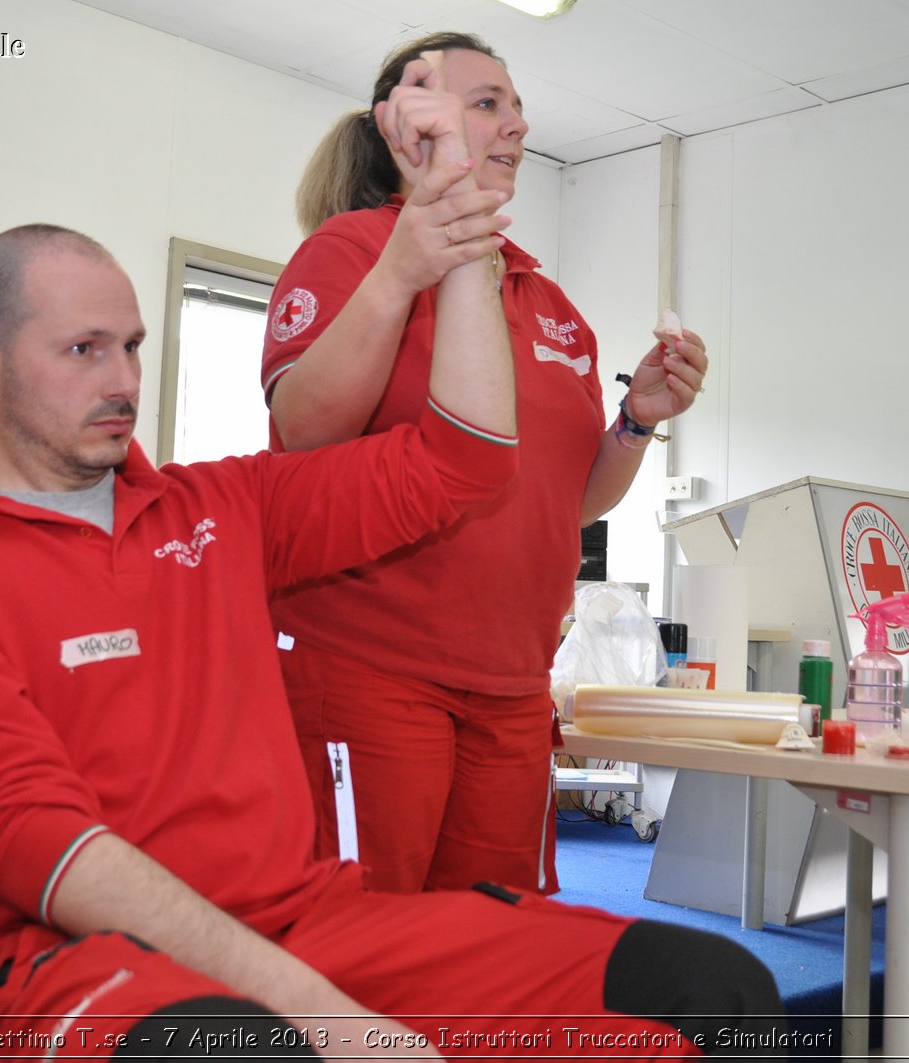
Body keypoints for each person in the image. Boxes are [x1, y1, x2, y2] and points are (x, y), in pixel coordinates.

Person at [0, 211, 781, 1058]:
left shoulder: (224, 507)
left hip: (307, 924)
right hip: (61, 963)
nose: (121, 380)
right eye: (83, 351)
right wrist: (326, 1018)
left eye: (132, 347)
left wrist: (442, 256)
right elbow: (34, 837)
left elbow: (462, 464)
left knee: (713, 994)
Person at [262, 33, 708, 895]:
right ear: (411, 121)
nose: (519, 125)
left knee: (495, 953)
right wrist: (406, 268)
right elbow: (305, 434)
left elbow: (570, 503)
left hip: (509, 685)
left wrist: (636, 420)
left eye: (518, 107)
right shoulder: (353, 251)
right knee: (366, 950)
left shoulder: (551, 305)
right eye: (489, 103)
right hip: (371, 670)